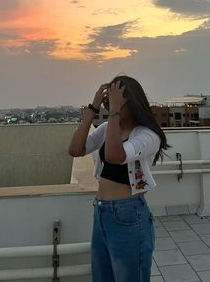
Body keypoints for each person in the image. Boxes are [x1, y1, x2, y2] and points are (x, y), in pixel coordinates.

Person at [68, 75, 170, 282]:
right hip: (102, 211)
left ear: (132, 103)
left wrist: (113, 109)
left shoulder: (148, 135)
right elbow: (75, 149)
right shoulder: (108, 128)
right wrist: (92, 107)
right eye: (108, 103)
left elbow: (115, 156)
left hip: (128, 214)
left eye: (116, 103)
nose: (110, 108)